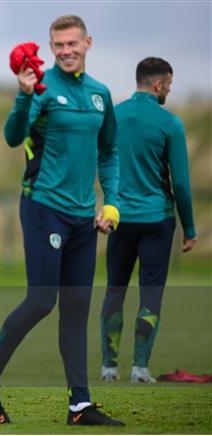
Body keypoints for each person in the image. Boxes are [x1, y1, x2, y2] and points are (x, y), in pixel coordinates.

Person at [0, 15, 124, 425]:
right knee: (41, 300)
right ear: (51, 48)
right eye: (59, 45)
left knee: (76, 309)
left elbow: (109, 153)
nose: (66, 51)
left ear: (88, 42)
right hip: (43, 208)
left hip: (83, 218)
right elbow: (14, 136)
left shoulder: (100, 95)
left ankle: (79, 405)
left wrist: (112, 204)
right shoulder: (40, 88)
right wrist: (23, 95)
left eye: (73, 43)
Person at [100, 57, 197, 384]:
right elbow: (181, 183)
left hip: (120, 218)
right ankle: (140, 368)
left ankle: (108, 368)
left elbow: (100, 161)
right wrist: (191, 228)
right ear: (158, 84)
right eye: (169, 84)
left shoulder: (113, 114)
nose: (170, 89)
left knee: (115, 290)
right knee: (150, 293)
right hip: (158, 220)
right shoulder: (170, 123)